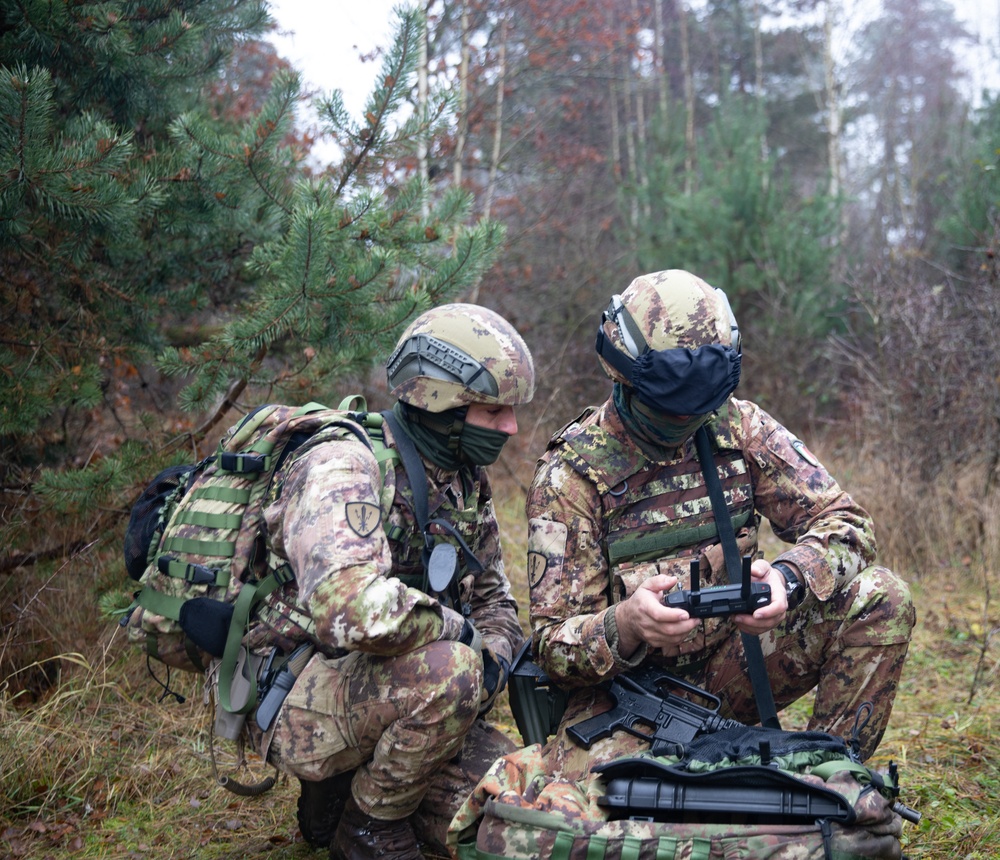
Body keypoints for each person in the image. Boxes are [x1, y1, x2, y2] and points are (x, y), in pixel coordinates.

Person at [524, 269, 914, 782]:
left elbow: (847, 523)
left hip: (736, 667)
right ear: (622, 375)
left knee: (882, 597)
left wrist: (788, 580)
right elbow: (553, 647)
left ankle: (830, 785)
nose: (686, 424)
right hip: (626, 700)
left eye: (700, 407)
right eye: (670, 408)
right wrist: (627, 624)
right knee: (617, 812)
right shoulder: (571, 475)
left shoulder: (738, 426)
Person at [243, 303, 535, 860]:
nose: (511, 427)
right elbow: (348, 608)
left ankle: (343, 793)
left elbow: (495, 597)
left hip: (390, 685)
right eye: (494, 411)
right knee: (453, 672)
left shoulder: (462, 482)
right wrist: (462, 642)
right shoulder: (343, 466)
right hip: (290, 692)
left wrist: (493, 655)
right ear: (441, 402)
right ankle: (369, 829)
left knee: (510, 803)